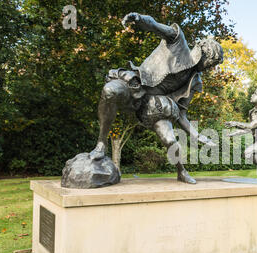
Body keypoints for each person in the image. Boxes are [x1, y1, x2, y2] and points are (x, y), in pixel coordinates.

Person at [90, 13, 223, 184]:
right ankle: (101, 144)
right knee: (110, 91)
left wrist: (197, 135)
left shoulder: (195, 81)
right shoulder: (178, 42)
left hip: (155, 107)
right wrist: (139, 18)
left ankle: (181, 171)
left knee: (170, 140)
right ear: (205, 54)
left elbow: (181, 114)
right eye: (211, 63)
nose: (210, 68)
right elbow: (154, 26)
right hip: (135, 86)